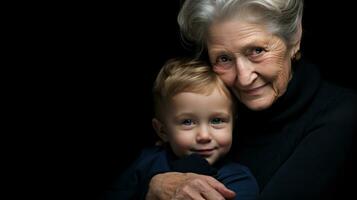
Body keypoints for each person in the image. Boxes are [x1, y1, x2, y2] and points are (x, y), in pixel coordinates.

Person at [145, 0, 357, 199]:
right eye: (224, 59)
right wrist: (155, 184)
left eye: (257, 51)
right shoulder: (208, 108)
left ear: (294, 38)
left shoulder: (340, 115)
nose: (244, 78)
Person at [104, 58, 259, 200]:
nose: (204, 136)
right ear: (162, 131)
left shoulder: (237, 179)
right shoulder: (145, 163)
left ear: (233, 124)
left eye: (217, 120)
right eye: (187, 122)